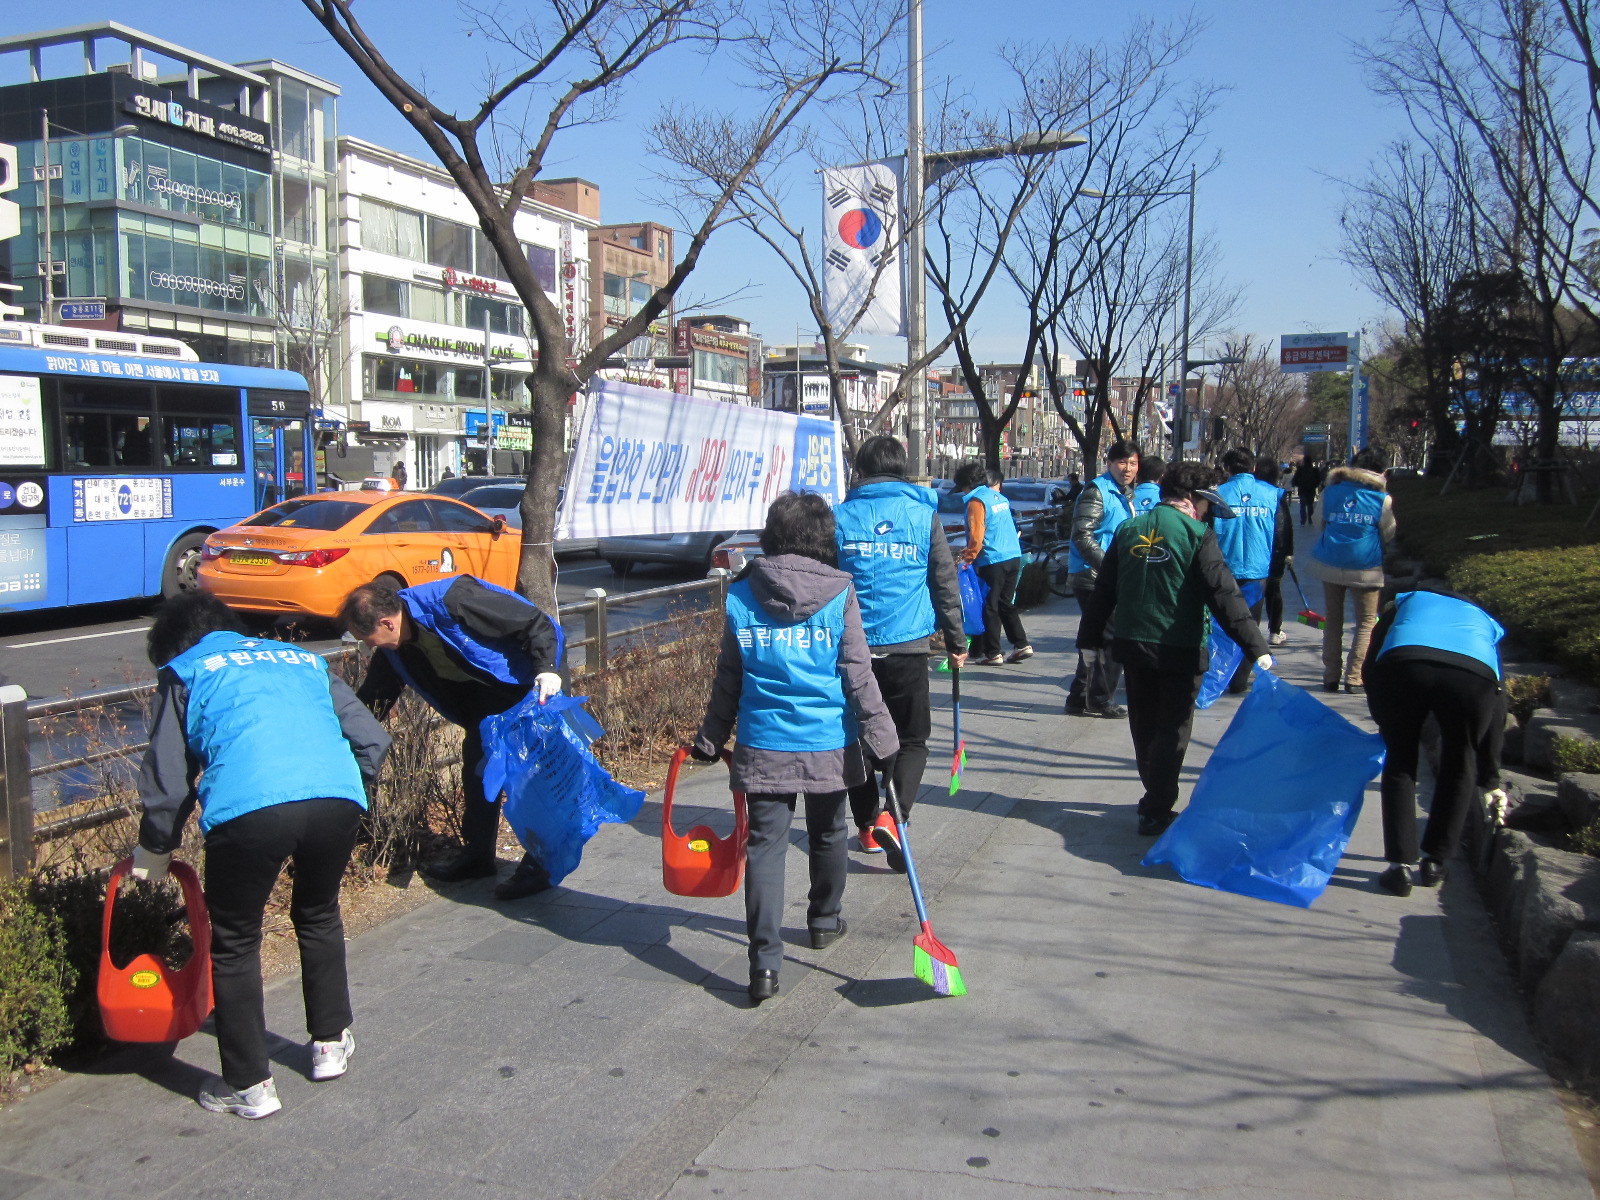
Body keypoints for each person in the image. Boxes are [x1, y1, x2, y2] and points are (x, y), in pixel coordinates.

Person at [131, 591, 390, 1120]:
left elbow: (168, 778)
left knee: (235, 940)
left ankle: (249, 1085)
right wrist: (344, 787)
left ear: (175, 644)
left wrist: (155, 848)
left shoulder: (185, 671)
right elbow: (371, 738)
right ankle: (329, 1046)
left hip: (248, 809)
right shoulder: (302, 660)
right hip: (334, 798)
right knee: (318, 914)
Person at [691, 492, 898, 1004]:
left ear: (771, 535)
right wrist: (883, 738)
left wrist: (711, 734)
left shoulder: (741, 593)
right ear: (823, 539)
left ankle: (763, 965)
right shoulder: (839, 591)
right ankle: (824, 920)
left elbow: (729, 677)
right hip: (829, 739)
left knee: (764, 848)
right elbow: (856, 671)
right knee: (829, 833)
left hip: (763, 741)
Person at [1076, 461, 1271, 836]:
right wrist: (1255, 647)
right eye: (1207, 502)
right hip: (1179, 647)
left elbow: (1105, 592)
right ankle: (1157, 806)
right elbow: (1224, 595)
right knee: (1173, 729)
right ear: (1192, 498)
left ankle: (1154, 794)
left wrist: (1089, 640)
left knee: (1145, 727)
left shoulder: (1129, 530)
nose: (1209, 510)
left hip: (1134, 646)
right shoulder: (1197, 534)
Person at [340, 575, 563, 900]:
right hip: (486, 695)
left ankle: (541, 865)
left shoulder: (455, 600)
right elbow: (376, 696)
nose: (369, 645)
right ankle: (478, 856)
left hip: (533, 680)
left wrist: (547, 668)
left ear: (386, 623)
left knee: (531, 777)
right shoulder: (395, 647)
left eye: (367, 637)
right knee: (477, 769)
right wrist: (343, 738)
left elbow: (533, 623)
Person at [834, 435, 967, 861]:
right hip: (908, 649)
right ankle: (894, 816)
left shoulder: (840, 518)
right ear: (903, 469)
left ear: (861, 470)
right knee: (910, 739)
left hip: (853, 652)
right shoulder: (923, 516)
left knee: (854, 739)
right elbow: (945, 584)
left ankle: (869, 824)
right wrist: (957, 641)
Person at [1363, 589, 1507, 896]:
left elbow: (1371, 662)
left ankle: (1398, 867)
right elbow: (1497, 703)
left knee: (1400, 761)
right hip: (1472, 677)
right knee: (1460, 761)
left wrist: (1385, 719)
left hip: (1405, 665)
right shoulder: (1483, 622)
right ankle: (1435, 863)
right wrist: (1490, 778)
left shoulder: (1407, 603)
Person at [1304, 448, 1397, 694]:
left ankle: (1330, 675)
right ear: (1382, 471)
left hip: (1331, 561)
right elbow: (1388, 532)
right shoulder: (1381, 499)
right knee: (1366, 622)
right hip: (1366, 566)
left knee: (1333, 620)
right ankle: (1355, 677)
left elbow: (1318, 523)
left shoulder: (1330, 492)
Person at [1064, 441, 1141, 717]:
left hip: (1108, 576)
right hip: (1094, 576)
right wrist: (1111, 568)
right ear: (1109, 464)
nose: (1128, 468)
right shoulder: (1098, 491)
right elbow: (1082, 535)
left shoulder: (1124, 493)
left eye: (1132, 463)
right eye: (1122, 462)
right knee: (1111, 637)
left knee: (1094, 637)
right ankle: (1099, 698)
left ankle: (1078, 697)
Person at [1214, 447, 1288, 693]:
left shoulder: (1218, 495)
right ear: (1253, 468)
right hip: (1258, 571)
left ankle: (1219, 675)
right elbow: (1280, 534)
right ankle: (1240, 679)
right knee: (1250, 624)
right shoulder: (1272, 494)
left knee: (1222, 623)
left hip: (1224, 568)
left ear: (1227, 468)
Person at [955, 462, 1032, 665]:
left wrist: (968, 558)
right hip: (1013, 555)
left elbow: (977, 535)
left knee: (990, 606)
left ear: (967, 485)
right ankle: (1022, 643)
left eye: (961, 487)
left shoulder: (976, 502)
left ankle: (993, 652)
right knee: (1006, 603)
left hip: (993, 559)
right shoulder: (998, 498)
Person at [1255, 454, 1294, 647]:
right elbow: (1284, 526)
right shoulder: (1276, 494)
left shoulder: (1252, 492)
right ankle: (1275, 630)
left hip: (1254, 551)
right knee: (1273, 592)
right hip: (1273, 552)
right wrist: (1287, 551)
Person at [1292, 457, 1323, 525]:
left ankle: (1303, 520)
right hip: (1311, 490)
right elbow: (1319, 480)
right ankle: (1310, 519)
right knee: (1310, 505)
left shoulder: (1300, 470)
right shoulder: (1315, 470)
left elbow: (1294, 480)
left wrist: (1299, 484)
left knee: (1302, 505)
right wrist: (1314, 485)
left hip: (1302, 490)